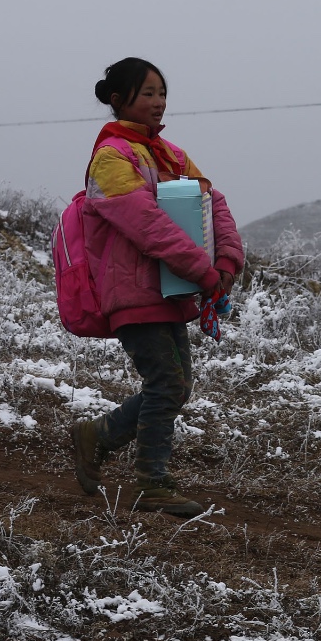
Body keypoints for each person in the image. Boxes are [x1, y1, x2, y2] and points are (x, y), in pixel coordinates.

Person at [69, 57, 244, 517]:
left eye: (162, 93)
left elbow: (213, 201)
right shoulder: (111, 159)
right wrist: (204, 273)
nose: (158, 102)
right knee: (166, 380)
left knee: (177, 384)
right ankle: (152, 482)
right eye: (147, 93)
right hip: (132, 291)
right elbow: (148, 226)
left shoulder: (169, 154)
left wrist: (227, 259)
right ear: (117, 100)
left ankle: (97, 436)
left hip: (169, 290)